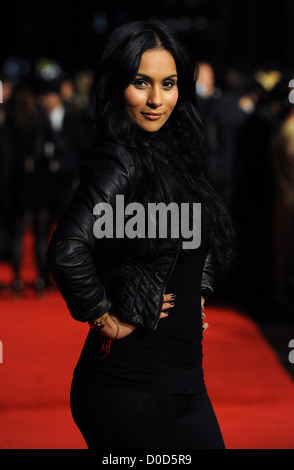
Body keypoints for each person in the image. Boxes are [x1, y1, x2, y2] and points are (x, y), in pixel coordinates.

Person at [47, 19, 235, 450]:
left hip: (185, 384)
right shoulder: (119, 158)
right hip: (127, 385)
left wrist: (197, 292)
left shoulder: (177, 155)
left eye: (168, 84)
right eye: (141, 83)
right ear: (118, 86)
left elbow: (198, 237)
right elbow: (67, 248)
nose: (156, 99)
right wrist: (103, 318)